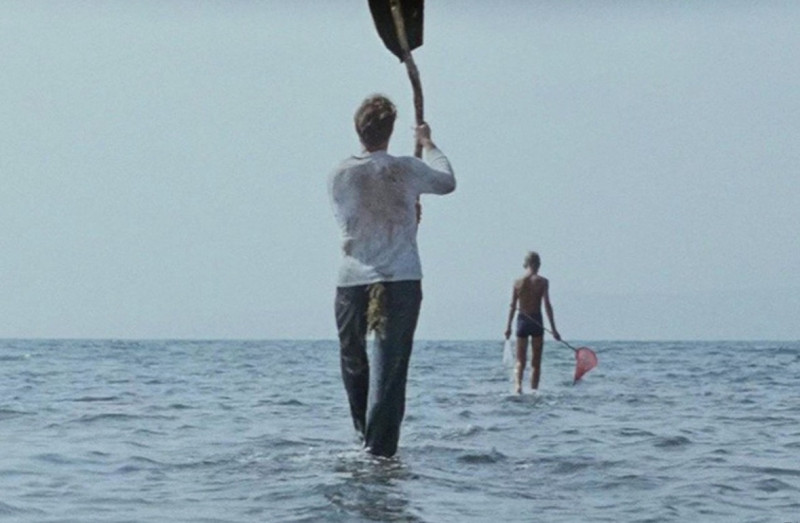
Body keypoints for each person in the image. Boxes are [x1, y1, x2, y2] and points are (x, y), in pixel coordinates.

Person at [329, 94, 455, 457]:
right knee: (390, 367)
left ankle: (366, 438)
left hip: (354, 278)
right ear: (390, 130)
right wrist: (428, 144)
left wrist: (406, 211)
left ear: (358, 130)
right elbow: (447, 181)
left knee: (354, 360)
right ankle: (378, 448)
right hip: (398, 278)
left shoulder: (339, 173)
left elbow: (355, 220)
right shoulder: (406, 169)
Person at [504, 251, 560, 393]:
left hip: (522, 321)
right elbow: (547, 305)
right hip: (536, 321)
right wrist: (554, 329)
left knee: (520, 360)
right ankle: (534, 390)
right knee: (536, 362)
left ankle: (518, 386)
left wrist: (508, 327)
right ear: (537, 264)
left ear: (526, 264)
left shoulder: (517, 282)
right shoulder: (542, 282)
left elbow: (512, 306)